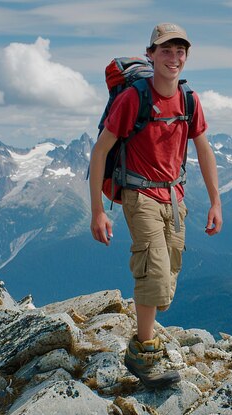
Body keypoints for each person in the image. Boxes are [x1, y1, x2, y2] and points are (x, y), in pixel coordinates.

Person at [88, 22, 222, 388]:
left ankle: (146, 330)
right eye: (166, 50)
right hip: (140, 194)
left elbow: (204, 149)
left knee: (167, 280)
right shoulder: (134, 98)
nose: (174, 57)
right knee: (154, 275)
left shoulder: (189, 100)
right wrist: (98, 210)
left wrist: (215, 201)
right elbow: (101, 150)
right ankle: (142, 354)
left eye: (180, 51)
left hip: (174, 197)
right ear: (150, 54)